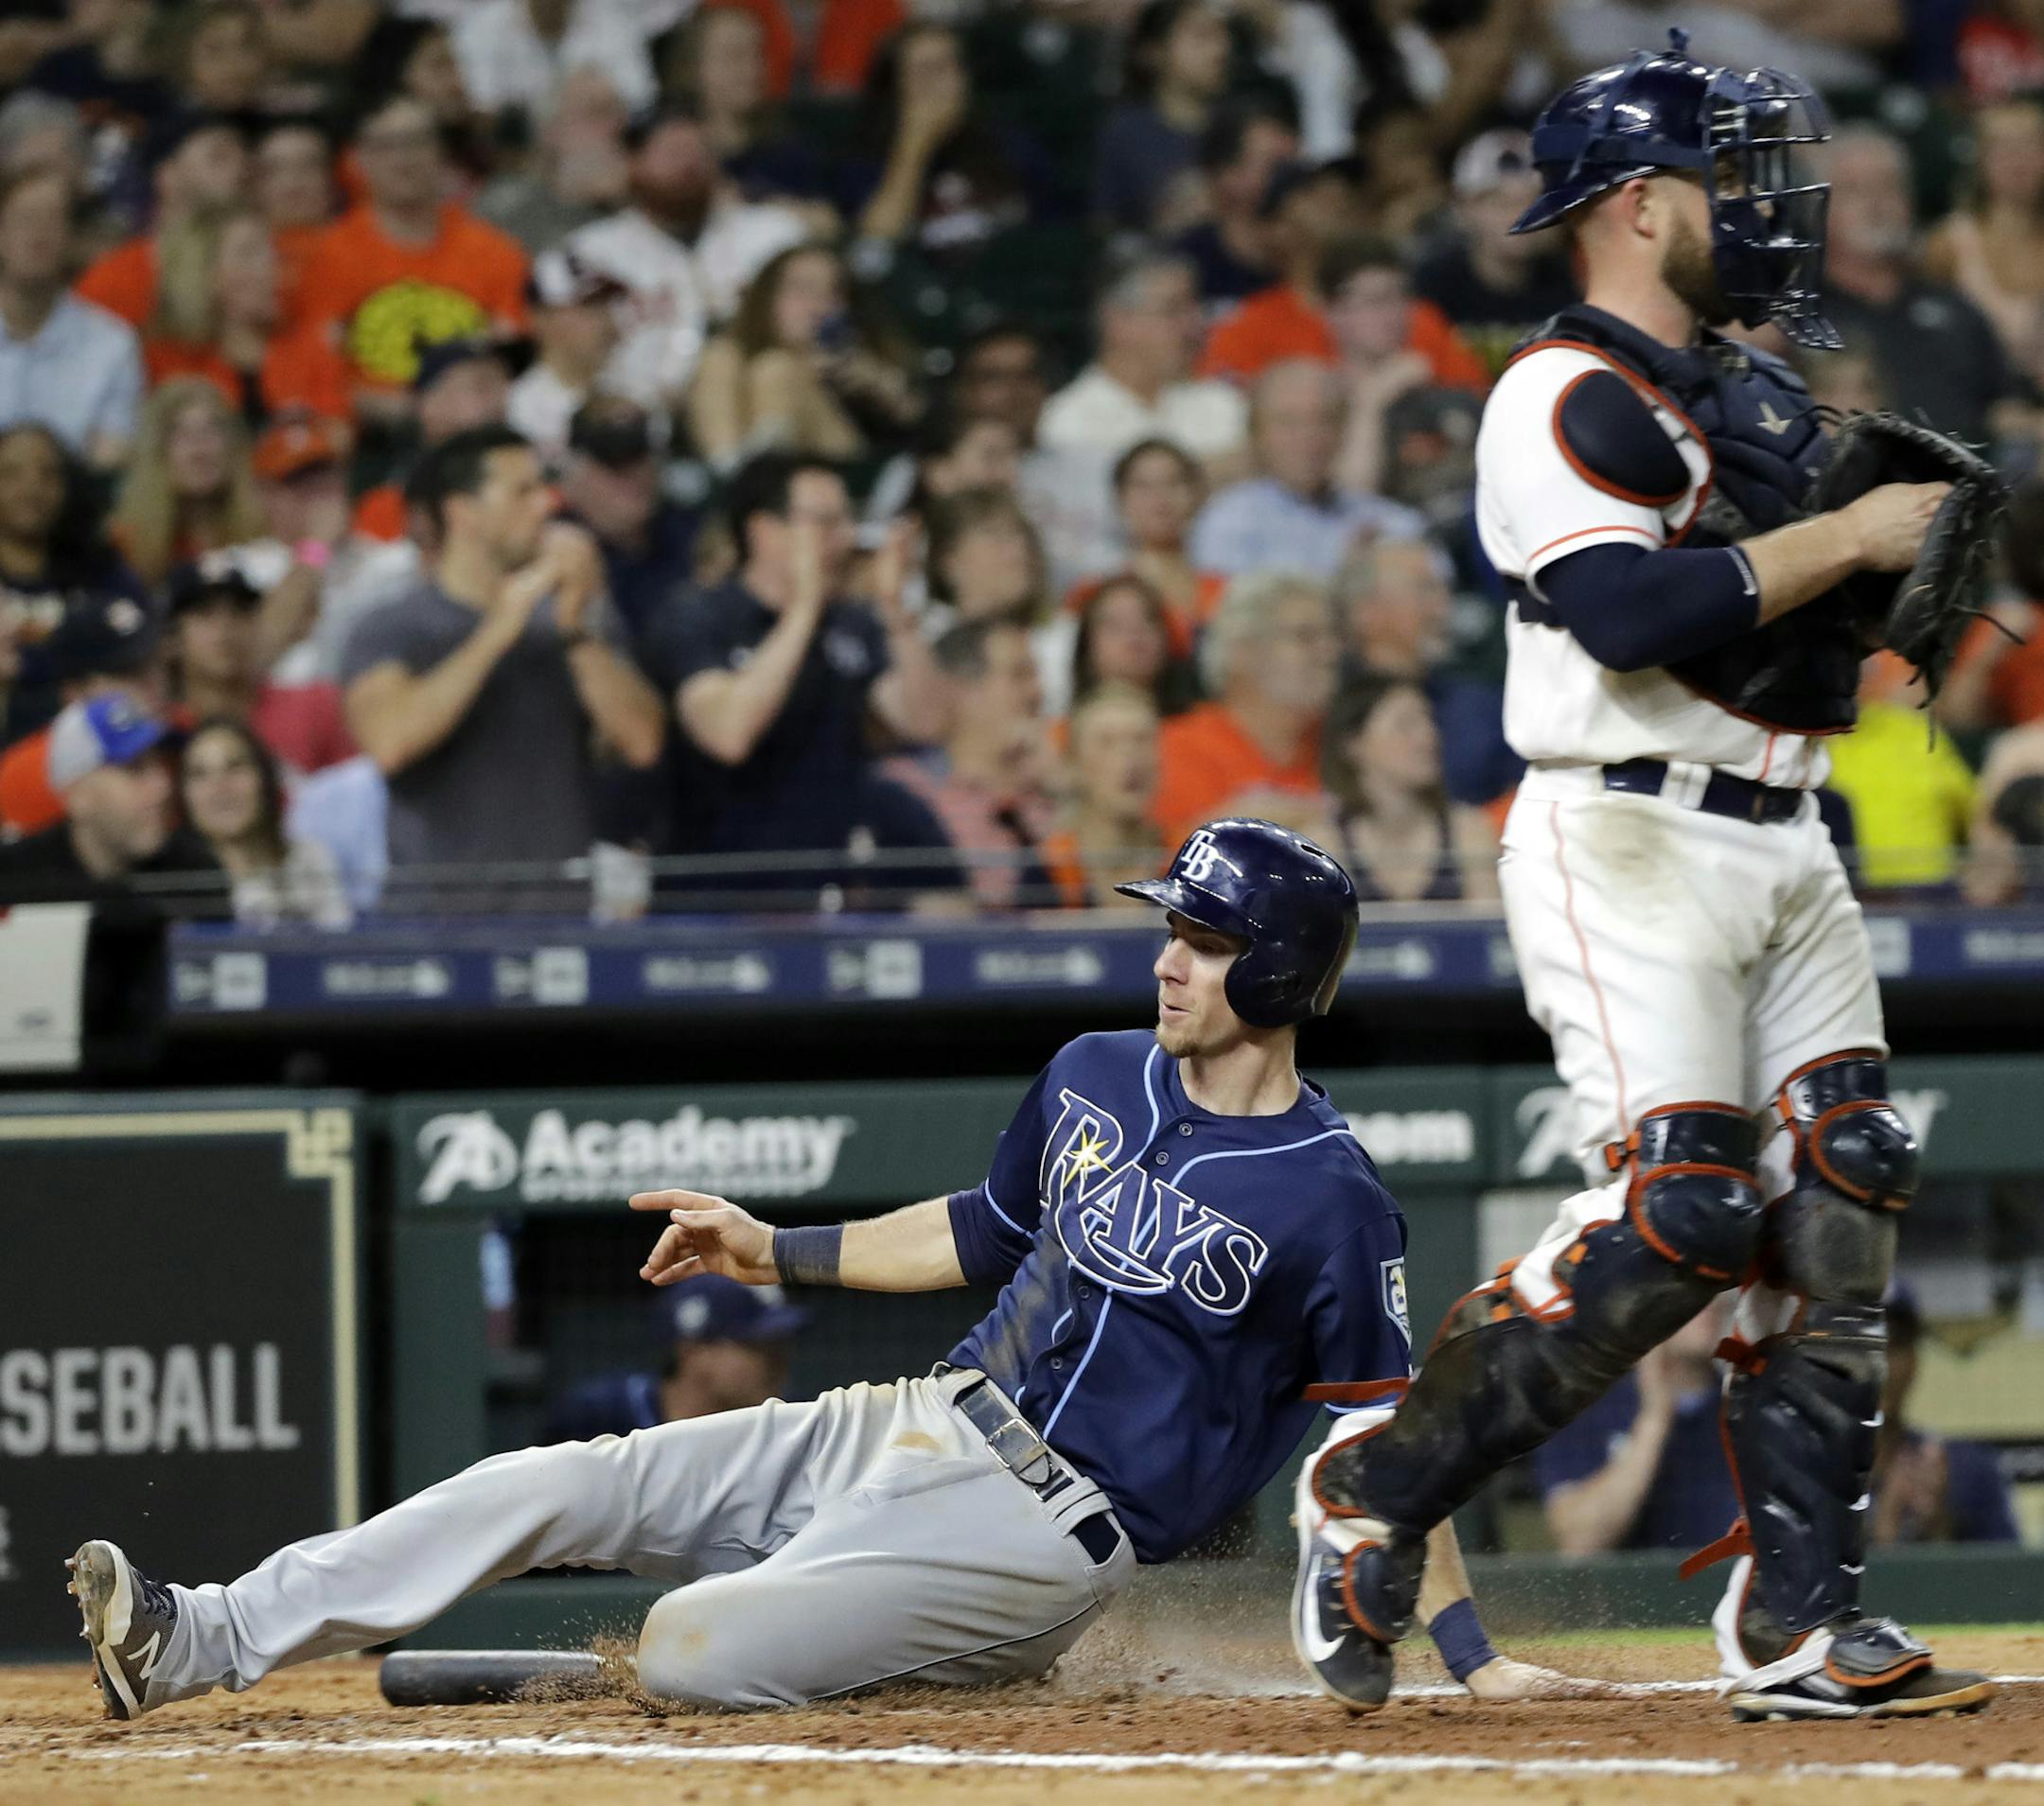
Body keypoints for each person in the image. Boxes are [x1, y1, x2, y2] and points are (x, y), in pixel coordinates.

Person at [69, 815, 1580, 1716]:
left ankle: (886, 1636)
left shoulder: (1333, 1196)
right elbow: (973, 1237)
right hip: (917, 1418)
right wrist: (769, 1240)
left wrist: (1463, 1650)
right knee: (560, 1481)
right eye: (1172, 927)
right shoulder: (1094, 1069)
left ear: (1272, 966)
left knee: (683, 1649)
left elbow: (1385, 1444)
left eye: (1197, 933)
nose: (1167, 954)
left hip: (1050, 1537)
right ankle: (201, 1632)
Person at [1300, 34, 1997, 1723]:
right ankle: (1373, 1489)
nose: (1762, 211)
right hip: (1626, 831)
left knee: (1842, 1180)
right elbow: (1626, 614)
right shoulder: (1558, 390)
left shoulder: (1750, 396)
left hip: (1787, 828)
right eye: (1724, 180)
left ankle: (1800, 1620)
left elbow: (1786, 619)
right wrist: (1849, 542)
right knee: (1683, 1216)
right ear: (1630, 209)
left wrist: (1871, 572)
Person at [339, 424, 666, 891]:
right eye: (523, 492)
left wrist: (574, 627)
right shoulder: (393, 626)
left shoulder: (574, 624)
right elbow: (391, 741)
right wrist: (499, 627)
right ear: (463, 513)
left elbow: (642, 742)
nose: (547, 504)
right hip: (439, 922)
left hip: (558, 921)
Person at [642, 452, 945, 873]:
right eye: (825, 523)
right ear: (765, 531)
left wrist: (896, 613)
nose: (846, 537)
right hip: (716, 900)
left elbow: (925, 722)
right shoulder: (699, 616)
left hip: (824, 893)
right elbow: (728, 733)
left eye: (847, 520)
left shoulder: (851, 624)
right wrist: (802, 609)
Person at [564, 103, 806, 417]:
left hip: (756, 402)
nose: (689, 166)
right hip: (639, 416)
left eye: (699, 152)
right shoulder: (591, 252)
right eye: (673, 154)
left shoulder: (773, 234)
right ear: (633, 163)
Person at [295, 95, 529, 398]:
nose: (403, 159)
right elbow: (320, 369)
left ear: (441, 154)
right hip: (371, 432)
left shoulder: (495, 251)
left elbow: (513, 357)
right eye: (385, 145)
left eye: (416, 142)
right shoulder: (328, 255)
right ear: (358, 159)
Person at [1822, 124, 2034, 451]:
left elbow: (2006, 406)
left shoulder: (1955, 309)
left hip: (1969, 486)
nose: (1875, 204)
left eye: (1888, 187)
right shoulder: (1803, 317)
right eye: (1855, 191)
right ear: (1820, 207)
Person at [686, 241, 920, 469]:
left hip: (841, 473)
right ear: (767, 297)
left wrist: (875, 381)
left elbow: (919, 418)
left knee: (776, 368)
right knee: (720, 355)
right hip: (746, 459)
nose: (818, 306)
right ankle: (730, 476)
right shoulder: (732, 355)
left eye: (833, 293)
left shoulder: (856, 356)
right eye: (802, 289)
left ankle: (752, 479)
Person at [1189, 359, 1425, 581]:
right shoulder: (1229, 522)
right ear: (1256, 434)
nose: (1307, 437)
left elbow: (1430, 566)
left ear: (1343, 431)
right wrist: (1348, 577)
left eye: (1323, 420)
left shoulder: (1383, 519)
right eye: (1288, 422)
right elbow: (1229, 617)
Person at [1535, 1303, 1740, 1555]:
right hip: (1631, 1592)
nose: (1708, 1300)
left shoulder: (1747, 1407)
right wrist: (1654, 1419)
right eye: (1693, 1283)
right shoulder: (1588, 1405)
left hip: (1728, 1590)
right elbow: (1580, 1542)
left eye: (1717, 1285)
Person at [1153, 570, 1339, 847]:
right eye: (1305, 636)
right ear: (1241, 650)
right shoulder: (1171, 752)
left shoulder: (1350, 748)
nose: (1329, 652)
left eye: (1332, 636)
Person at [885, 617, 1052, 910]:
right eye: (1019, 675)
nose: (1037, 692)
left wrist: (1064, 790)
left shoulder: (1053, 785)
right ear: (963, 690)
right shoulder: (909, 790)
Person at [0, 421, 151, 745]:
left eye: (48, 474)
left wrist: (28, 664)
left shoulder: (103, 571)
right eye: (11, 474)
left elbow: (140, 645)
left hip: (102, 736)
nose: (31, 488)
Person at [850, 22, 1051, 262]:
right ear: (895, 87)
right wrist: (914, 143)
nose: (937, 83)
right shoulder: (866, 156)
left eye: (946, 67)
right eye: (924, 71)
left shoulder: (1012, 145)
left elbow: (1049, 239)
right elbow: (876, 246)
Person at [139, 204, 351, 428]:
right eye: (249, 253)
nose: (272, 264)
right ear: (204, 274)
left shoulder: (311, 348)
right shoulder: (164, 363)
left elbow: (337, 434)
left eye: (270, 249)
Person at [0, 693, 219, 903]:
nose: (163, 787)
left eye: (160, 764)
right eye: (135, 769)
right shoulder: (15, 878)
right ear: (77, 795)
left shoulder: (196, 875)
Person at [1038, 254, 1247, 471]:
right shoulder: (1067, 421)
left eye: (1194, 309)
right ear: (1118, 321)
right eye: (1173, 310)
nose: (1194, 325)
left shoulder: (1224, 403)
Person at [545, 1273, 811, 1443]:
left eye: (780, 1346)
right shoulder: (602, 1418)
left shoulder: (789, 1430)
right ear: (693, 1352)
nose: (778, 1362)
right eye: (757, 1347)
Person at [0, 167, 143, 469]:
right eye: (25, 219)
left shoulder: (113, 344)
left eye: (52, 220)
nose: (38, 234)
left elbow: (110, 464)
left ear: (72, 238)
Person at [165, 559, 354, 780]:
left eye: (240, 611)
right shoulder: (164, 734)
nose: (225, 627)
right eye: (204, 614)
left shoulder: (316, 706)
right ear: (173, 638)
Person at [0, 588, 166, 838]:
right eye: (129, 673)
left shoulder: (191, 739)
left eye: (156, 664)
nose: (154, 684)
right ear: (75, 693)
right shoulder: (27, 774)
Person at [1323, 678, 1499, 904]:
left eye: (1429, 722)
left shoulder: (1470, 832)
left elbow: (1486, 931)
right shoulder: (1325, 845)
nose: (1428, 737)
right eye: (1405, 725)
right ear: (1353, 744)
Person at [1870, 1287, 2021, 1546]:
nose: (1881, 1364)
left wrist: (1940, 1531)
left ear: (1915, 1360)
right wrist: (1880, 1540)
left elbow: (2011, 1579)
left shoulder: (1967, 1469)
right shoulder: (1807, 1470)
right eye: (1867, 1345)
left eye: (1895, 1345)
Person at [75, 113, 252, 332]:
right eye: (219, 156)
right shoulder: (114, 280)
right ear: (168, 174)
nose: (243, 168)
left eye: (245, 157)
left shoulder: (274, 270)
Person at [177, 714, 351, 928]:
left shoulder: (311, 860)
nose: (220, 787)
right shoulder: (169, 881)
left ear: (264, 778)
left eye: (235, 767)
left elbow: (339, 951)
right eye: (199, 774)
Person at [557, 395, 700, 642]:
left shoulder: (690, 528)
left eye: (639, 458)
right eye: (613, 465)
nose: (632, 476)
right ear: (573, 478)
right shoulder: (563, 550)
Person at [1925, 96, 2044, 387]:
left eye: (2030, 144)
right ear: (1978, 158)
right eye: (2002, 147)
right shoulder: (1948, 243)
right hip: (1977, 398)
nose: (2018, 159)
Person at [108, 377, 270, 590]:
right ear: (157, 452)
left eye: (212, 430)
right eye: (182, 434)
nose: (200, 448)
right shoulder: (126, 544)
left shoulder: (268, 527)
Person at [1067, 437, 1223, 658]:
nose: (1160, 497)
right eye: (1143, 486)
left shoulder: (1225, 594)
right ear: (1120, 500)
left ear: (1197, 495)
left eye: (1174, 483)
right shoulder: (1092, 595)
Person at [1093, 0, 1231, 235]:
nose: (1221, 49)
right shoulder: (1126, 133)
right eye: (1201, 36)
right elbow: (1105, 226)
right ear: (1153, 52)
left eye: (1222, 35)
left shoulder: (1240, 124)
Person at [1038, 681, 1164, 908]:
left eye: (1141, 739)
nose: (1130, 758)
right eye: (1107, 742)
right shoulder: (1047, 868)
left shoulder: (1188, 865)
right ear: (1073, 764)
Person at [1172, 102, 1298, 315]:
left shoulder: (1316, 261)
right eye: (1275, 166)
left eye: (1295, 166)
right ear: (1227, 173)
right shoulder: (1187, 261)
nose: (1293, 181)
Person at [448, 0, 662, 120]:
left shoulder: (613, 20)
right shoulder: (481, 27)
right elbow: (482, 104)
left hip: (593, 143)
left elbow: (638, 96)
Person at [505, 248, 627, 459]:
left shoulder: (631, 387)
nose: (606, 320)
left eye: (606, 305)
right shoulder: (518, 410)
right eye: (588, 307)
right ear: (540, 319)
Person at [1068, 571, 1193, 718]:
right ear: (1087, 645)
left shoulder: (1203, 729)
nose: (1135, 631)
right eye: (1116, 624)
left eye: (1148, 619)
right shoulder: (1059, 736)